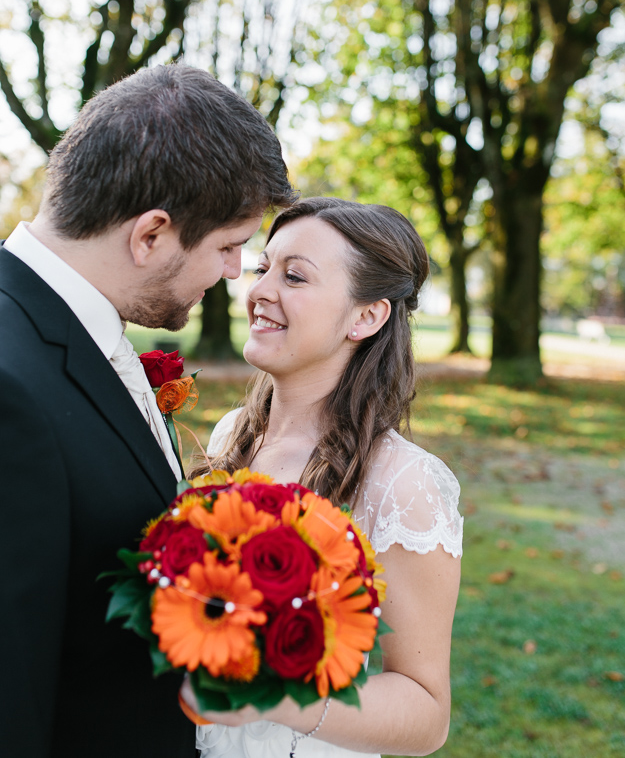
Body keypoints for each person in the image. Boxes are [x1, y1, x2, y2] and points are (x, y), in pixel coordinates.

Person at [0, 63, 295, 758]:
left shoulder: (74, 332)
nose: (234, 272)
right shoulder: (9, 384)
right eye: (228, 246)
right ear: (152, 235)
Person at [181, 196, 463, 758]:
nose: (259, 290)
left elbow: (427, 711)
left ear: (366, 316)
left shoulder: (403, 484)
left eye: (294, 276)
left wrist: (275, 696)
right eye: (264, 268)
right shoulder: (232, 434)